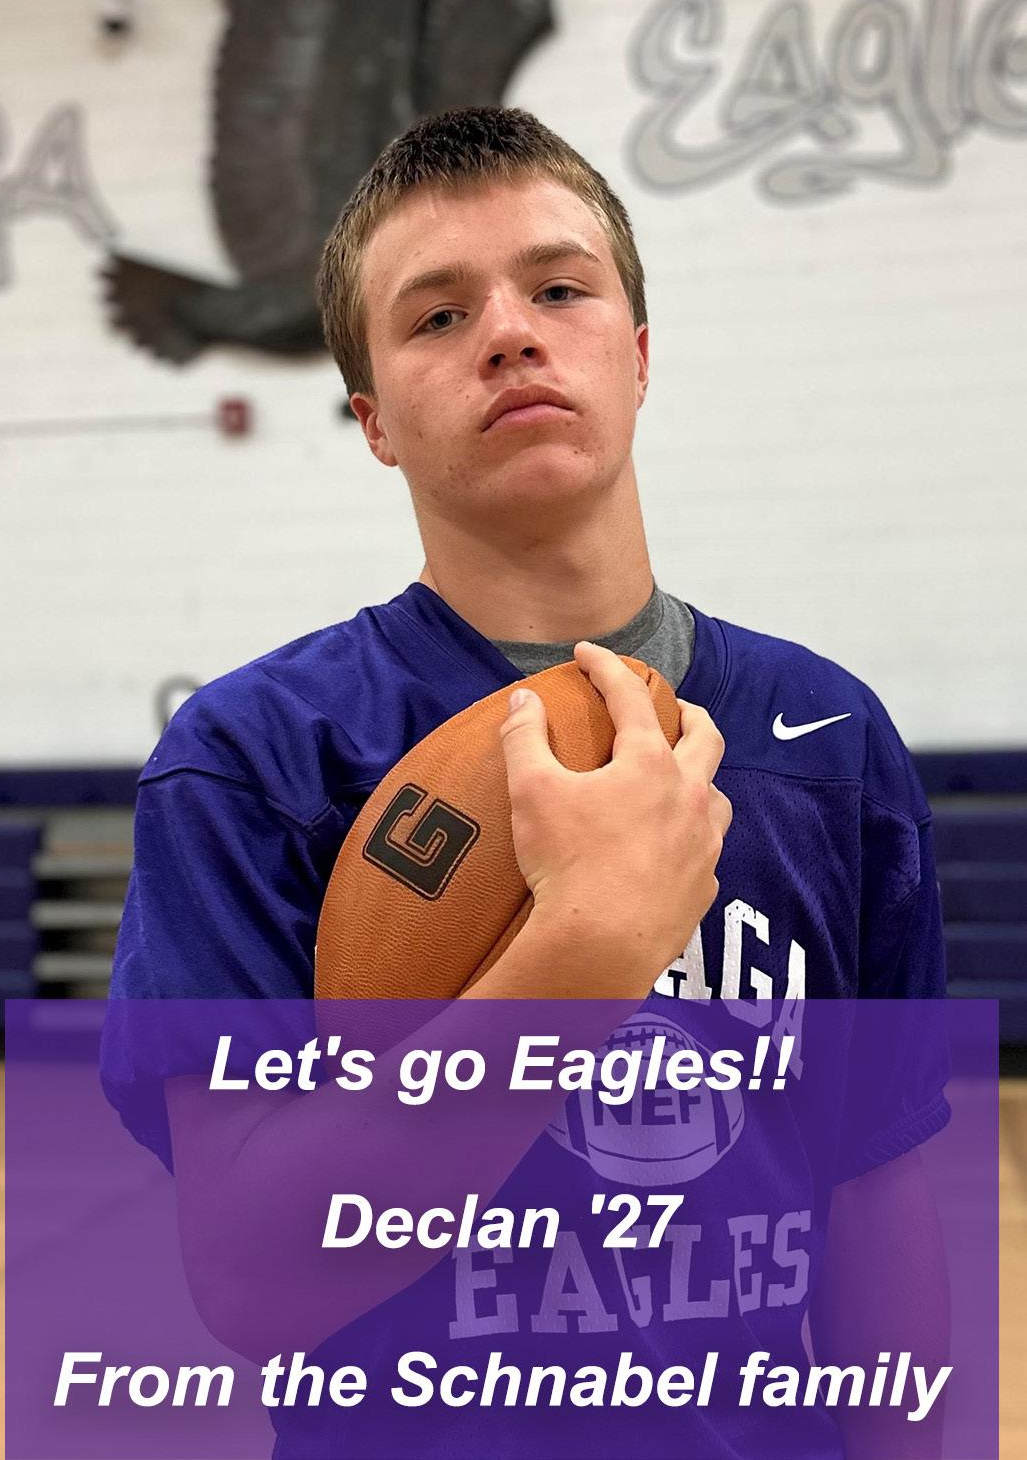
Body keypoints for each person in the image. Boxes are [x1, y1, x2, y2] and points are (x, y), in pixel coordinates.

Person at [105, 106, 950, 1459]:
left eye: (560, 289)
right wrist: (587, 948)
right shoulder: (257, 759)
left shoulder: (830, 739)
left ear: (639, 355)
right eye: (437, 316)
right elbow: (254, 1281)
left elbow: (877, 1204)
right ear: (374, 421)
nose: (507, 331)